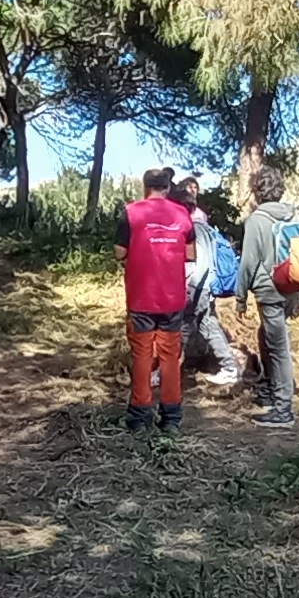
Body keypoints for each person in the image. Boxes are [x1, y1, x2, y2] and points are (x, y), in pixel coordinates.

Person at [116, 166, 196, 432]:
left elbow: (119, 253)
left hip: (140, 297)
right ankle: (171, 418)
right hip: (172, 298)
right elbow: (191, 254)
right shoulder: (183, 214)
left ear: (145, 186)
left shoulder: (131, 212)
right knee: (169, 358)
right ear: (168, 187)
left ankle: (140, 417)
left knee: (141, 356)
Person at [235, 166, 299, 430]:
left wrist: (240, 296)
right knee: (267, 337)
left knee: (279, 348)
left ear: (257, 190)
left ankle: (283, 411)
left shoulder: (257, 220)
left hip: (270, 290)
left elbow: (248, 262)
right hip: (293, 287)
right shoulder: (295, 216)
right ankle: (271, 392)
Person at [173, 177, 243, 385]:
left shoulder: (187, 229)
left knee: (182, 327)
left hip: (193, 285)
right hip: (207, 285)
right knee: (207, 324)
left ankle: (166, 371)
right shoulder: (206, 229)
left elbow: (192, 262)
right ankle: (229, 367)